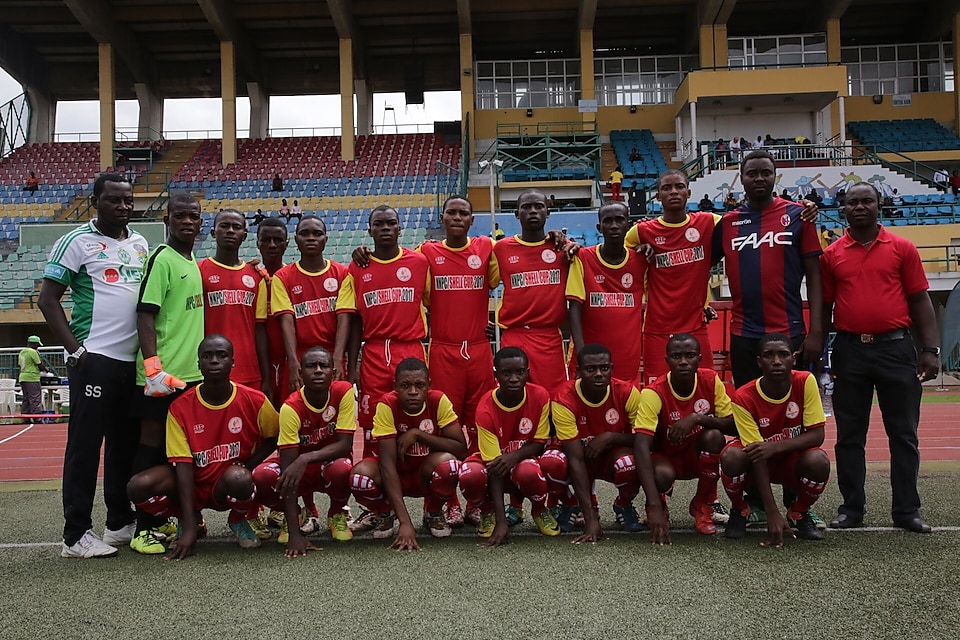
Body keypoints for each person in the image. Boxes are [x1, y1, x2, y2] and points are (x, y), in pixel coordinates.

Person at [820, 182, 940, 533]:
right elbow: (825, 305)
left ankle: (906, 510)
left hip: (896, 348)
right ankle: (851, 509)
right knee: (849, 435)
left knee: (903, 434)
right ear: (843, 208)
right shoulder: (833, 254)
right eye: (852, 202)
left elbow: (920, 301)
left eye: (866, 201)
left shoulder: (902, 248)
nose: (859, 207)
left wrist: (930, 350)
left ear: (879, 205)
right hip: (850, 350)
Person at [39, 173, 145, 559]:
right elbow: (48, 299)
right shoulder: (76, 241)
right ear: (95, 201)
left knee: (123, 445)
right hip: (93, 359)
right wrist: (75, 350)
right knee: (85, 446)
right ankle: (75, 534)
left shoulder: (139, 243)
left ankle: (118, 522)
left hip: (129, 362)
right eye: (114, 200)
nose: (123, 207)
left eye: (128, 200)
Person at [126, 335, 280, 559]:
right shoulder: (180, 407)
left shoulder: (254, 400)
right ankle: (189, 520)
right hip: (192, 482)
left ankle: (238, 519)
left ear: (233, 362)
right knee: (137, 486)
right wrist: (189, 526)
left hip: (226, 483)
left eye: (222, 355)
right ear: (198, 364)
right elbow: (183, 467)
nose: (214, 361)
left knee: (241, 478)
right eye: (207, 356)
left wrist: (249, 464)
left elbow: (275, 435)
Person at [333, 205, 430, 533]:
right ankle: (380, 509)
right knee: (374, 428)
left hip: (410, 349)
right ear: (370, 230)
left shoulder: (419, 262)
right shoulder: (357, 267)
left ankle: (438, 506)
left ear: (400, 228)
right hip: (374, 352)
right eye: (379, 224)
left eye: (391, 223)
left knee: (423, 421)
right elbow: (352, 318)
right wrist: (351, 364)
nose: (385, 228)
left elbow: (440, 301)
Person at [130, 191, 205, 554]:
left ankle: (173, 517)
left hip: (190, 375)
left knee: (180, 452)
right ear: (167, 220)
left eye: (193, 216)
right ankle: (143, 527)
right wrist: (153, 369)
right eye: (180, 216)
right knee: (152, 446)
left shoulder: (191, 261)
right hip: (163, 374)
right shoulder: (162, 258)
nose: (187, 221)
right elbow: (145, 313)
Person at [417, 196, 497, 526]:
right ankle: (443, 500)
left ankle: (478, 500)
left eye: (464, 212)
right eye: (452, 212)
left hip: (478, 349)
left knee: (481, 426)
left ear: (472, 218)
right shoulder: (426, 253)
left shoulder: (486, 248)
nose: (457, 217)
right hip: (443, 350)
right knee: (443, 428)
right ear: (443, 216)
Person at [713, 150, 823, 386]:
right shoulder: (728, 222)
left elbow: (815, 276)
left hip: (789, 331)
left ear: (775, 176)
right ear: (741, 178)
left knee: (792, 408)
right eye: (752, 174)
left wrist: (816, 332)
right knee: (746, 405)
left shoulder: (799, 215)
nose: (759, 178)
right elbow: (700, 265)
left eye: (766, 173)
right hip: (743, 334)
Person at [720, 333, 830, 545]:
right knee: (731, 456)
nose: (777, 361)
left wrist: (773, 447)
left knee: (819, 460)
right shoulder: (743, 396)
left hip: (789, 460)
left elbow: (817, 435)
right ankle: (739, 509)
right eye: (769, 355)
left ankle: (798, 512)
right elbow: (756, 453)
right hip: (756, 464)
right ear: (759, 362)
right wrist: (771, 512)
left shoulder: (806, 381)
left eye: (783, 354)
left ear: (793, 359)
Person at [349, 358, 467, 549]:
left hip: (424, 475)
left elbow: (461, 450)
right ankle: (385, 512)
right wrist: (405, 522)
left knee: (450, 465)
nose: (413, 392)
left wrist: (418, 435)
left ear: (429, 385)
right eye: (405, 386)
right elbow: (386, 465)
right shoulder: (386, 404)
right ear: (395, 386)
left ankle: (433, 512)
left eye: (419, 385)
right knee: (359, 477)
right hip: (396, 475)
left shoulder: (438, 401)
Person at [252, 347, 356, 555]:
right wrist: (295, 534)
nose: (318, 370)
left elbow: (345, 445)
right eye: (311, 366)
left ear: (333, 372)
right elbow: (289, 467)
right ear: (300, 374)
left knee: (343, 469)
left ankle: (336, 513)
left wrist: (306, 457)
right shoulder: (290, 408)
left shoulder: (343, 392)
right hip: (298, 470)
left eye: (324, 366)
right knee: (262, 476)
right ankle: (294, 517)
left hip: (327, 464)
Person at [551, 344, 659, 542]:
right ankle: (571, 503)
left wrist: (611, 437)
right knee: (552, 463)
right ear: (578, 371)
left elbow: (647, 440)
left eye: (604, 368)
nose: (599, 374)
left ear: (612, 369)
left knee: (630, 464)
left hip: (612, 457)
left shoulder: (628, 393)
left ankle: (623, 505)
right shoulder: (563, 399)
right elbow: (575, 459)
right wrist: (591, 517)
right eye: (591, 369)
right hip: (580, 456)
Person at [458, 347, 564, 546]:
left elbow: (539, 444)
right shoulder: (485, 407)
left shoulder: (540, 396)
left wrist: (513, 456)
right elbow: (495, 468)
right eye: (506, 373)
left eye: (520, 372)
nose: (514, 378)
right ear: (496, 374)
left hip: (522, 463)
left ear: (527, 373)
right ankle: (487, 511)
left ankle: (539, 509)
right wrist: (501, 521)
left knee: (529, 470)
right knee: (469, 473)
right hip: (494, 468)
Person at [626, 170, 720, 385]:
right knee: (656, 391)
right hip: (657, 328)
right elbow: (617, 259)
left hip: (696, 326)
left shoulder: (709, 222)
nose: (674, 192)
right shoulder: (640, 232)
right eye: (666, 188)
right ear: (658, 196)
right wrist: (639, 249)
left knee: (707, 387)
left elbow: (741, 224)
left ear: (689, 192)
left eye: (679, 186)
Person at [636, 334, 735, 535]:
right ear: (667, 360)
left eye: (689, 355)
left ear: (699, 358)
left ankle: (700, 504)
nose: (683, 362)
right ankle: (659, 505)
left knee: (715, 436)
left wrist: (697, 418)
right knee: (660, 474)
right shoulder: (653, 393)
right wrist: (653, 503)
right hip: (665, 459)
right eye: (676, 356)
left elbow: (733, 426)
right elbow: (641, 446)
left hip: (694, 457)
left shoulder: (710, 380)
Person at [491, 190, 577, 394]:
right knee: (512, 397)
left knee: (554, 398)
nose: (532, 211)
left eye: (538, 206)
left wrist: (572, 244)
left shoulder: (562, 248)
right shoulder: (501, 249)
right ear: (516, 213)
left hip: (548, 337)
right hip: (514, 335)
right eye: (526, 207)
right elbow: (480, 283)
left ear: (548, 212)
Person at [566, 201, 647, 383]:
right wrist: (582, 356)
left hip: (627, 359)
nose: (614, 226)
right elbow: (574, 309)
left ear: (628, 224)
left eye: (619, 220)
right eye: (608, 221)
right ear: (599, 227)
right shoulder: (583, 258)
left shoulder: (641, 260)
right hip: (589, 360)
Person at [272, 216, 347, 393]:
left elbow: (344, 318)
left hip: (333, 355)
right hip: (300, 357)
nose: (311, 238)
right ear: (296, 239)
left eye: (317, 233)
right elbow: (287, 321)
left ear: (326, 239)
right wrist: (292, 362)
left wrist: (338, 358)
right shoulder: (283, 277)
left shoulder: (342, 273)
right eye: (304, 234)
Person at [199, 209, 269, 392]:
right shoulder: (199, 271)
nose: (230, 230)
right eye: (224, 226)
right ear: (213, 232)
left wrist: (266, 377)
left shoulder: (256, 276)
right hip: (209, 372)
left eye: (236, 227)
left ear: (244, 235)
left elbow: (260, 328)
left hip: (249, 371)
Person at [253, 217, 290, 408]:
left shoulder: (293, 277)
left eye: (278, 239)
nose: (272, 245)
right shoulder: (250, 276)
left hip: (289, 363)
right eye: (266, 240)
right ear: (257, 243)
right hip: (257, 364)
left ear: (287, 243)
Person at [17, 335, 49, 418]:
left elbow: (20, 364)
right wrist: (46, 370)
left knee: (26, 398)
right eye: (37, 345)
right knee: (35, 398)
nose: (38, 347)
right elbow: (39, 364)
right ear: (34, 344)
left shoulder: (22, 351)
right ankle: (36, 417)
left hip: (23, 377)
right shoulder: (33, 352)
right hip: (32, 377)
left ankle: (25, 416)